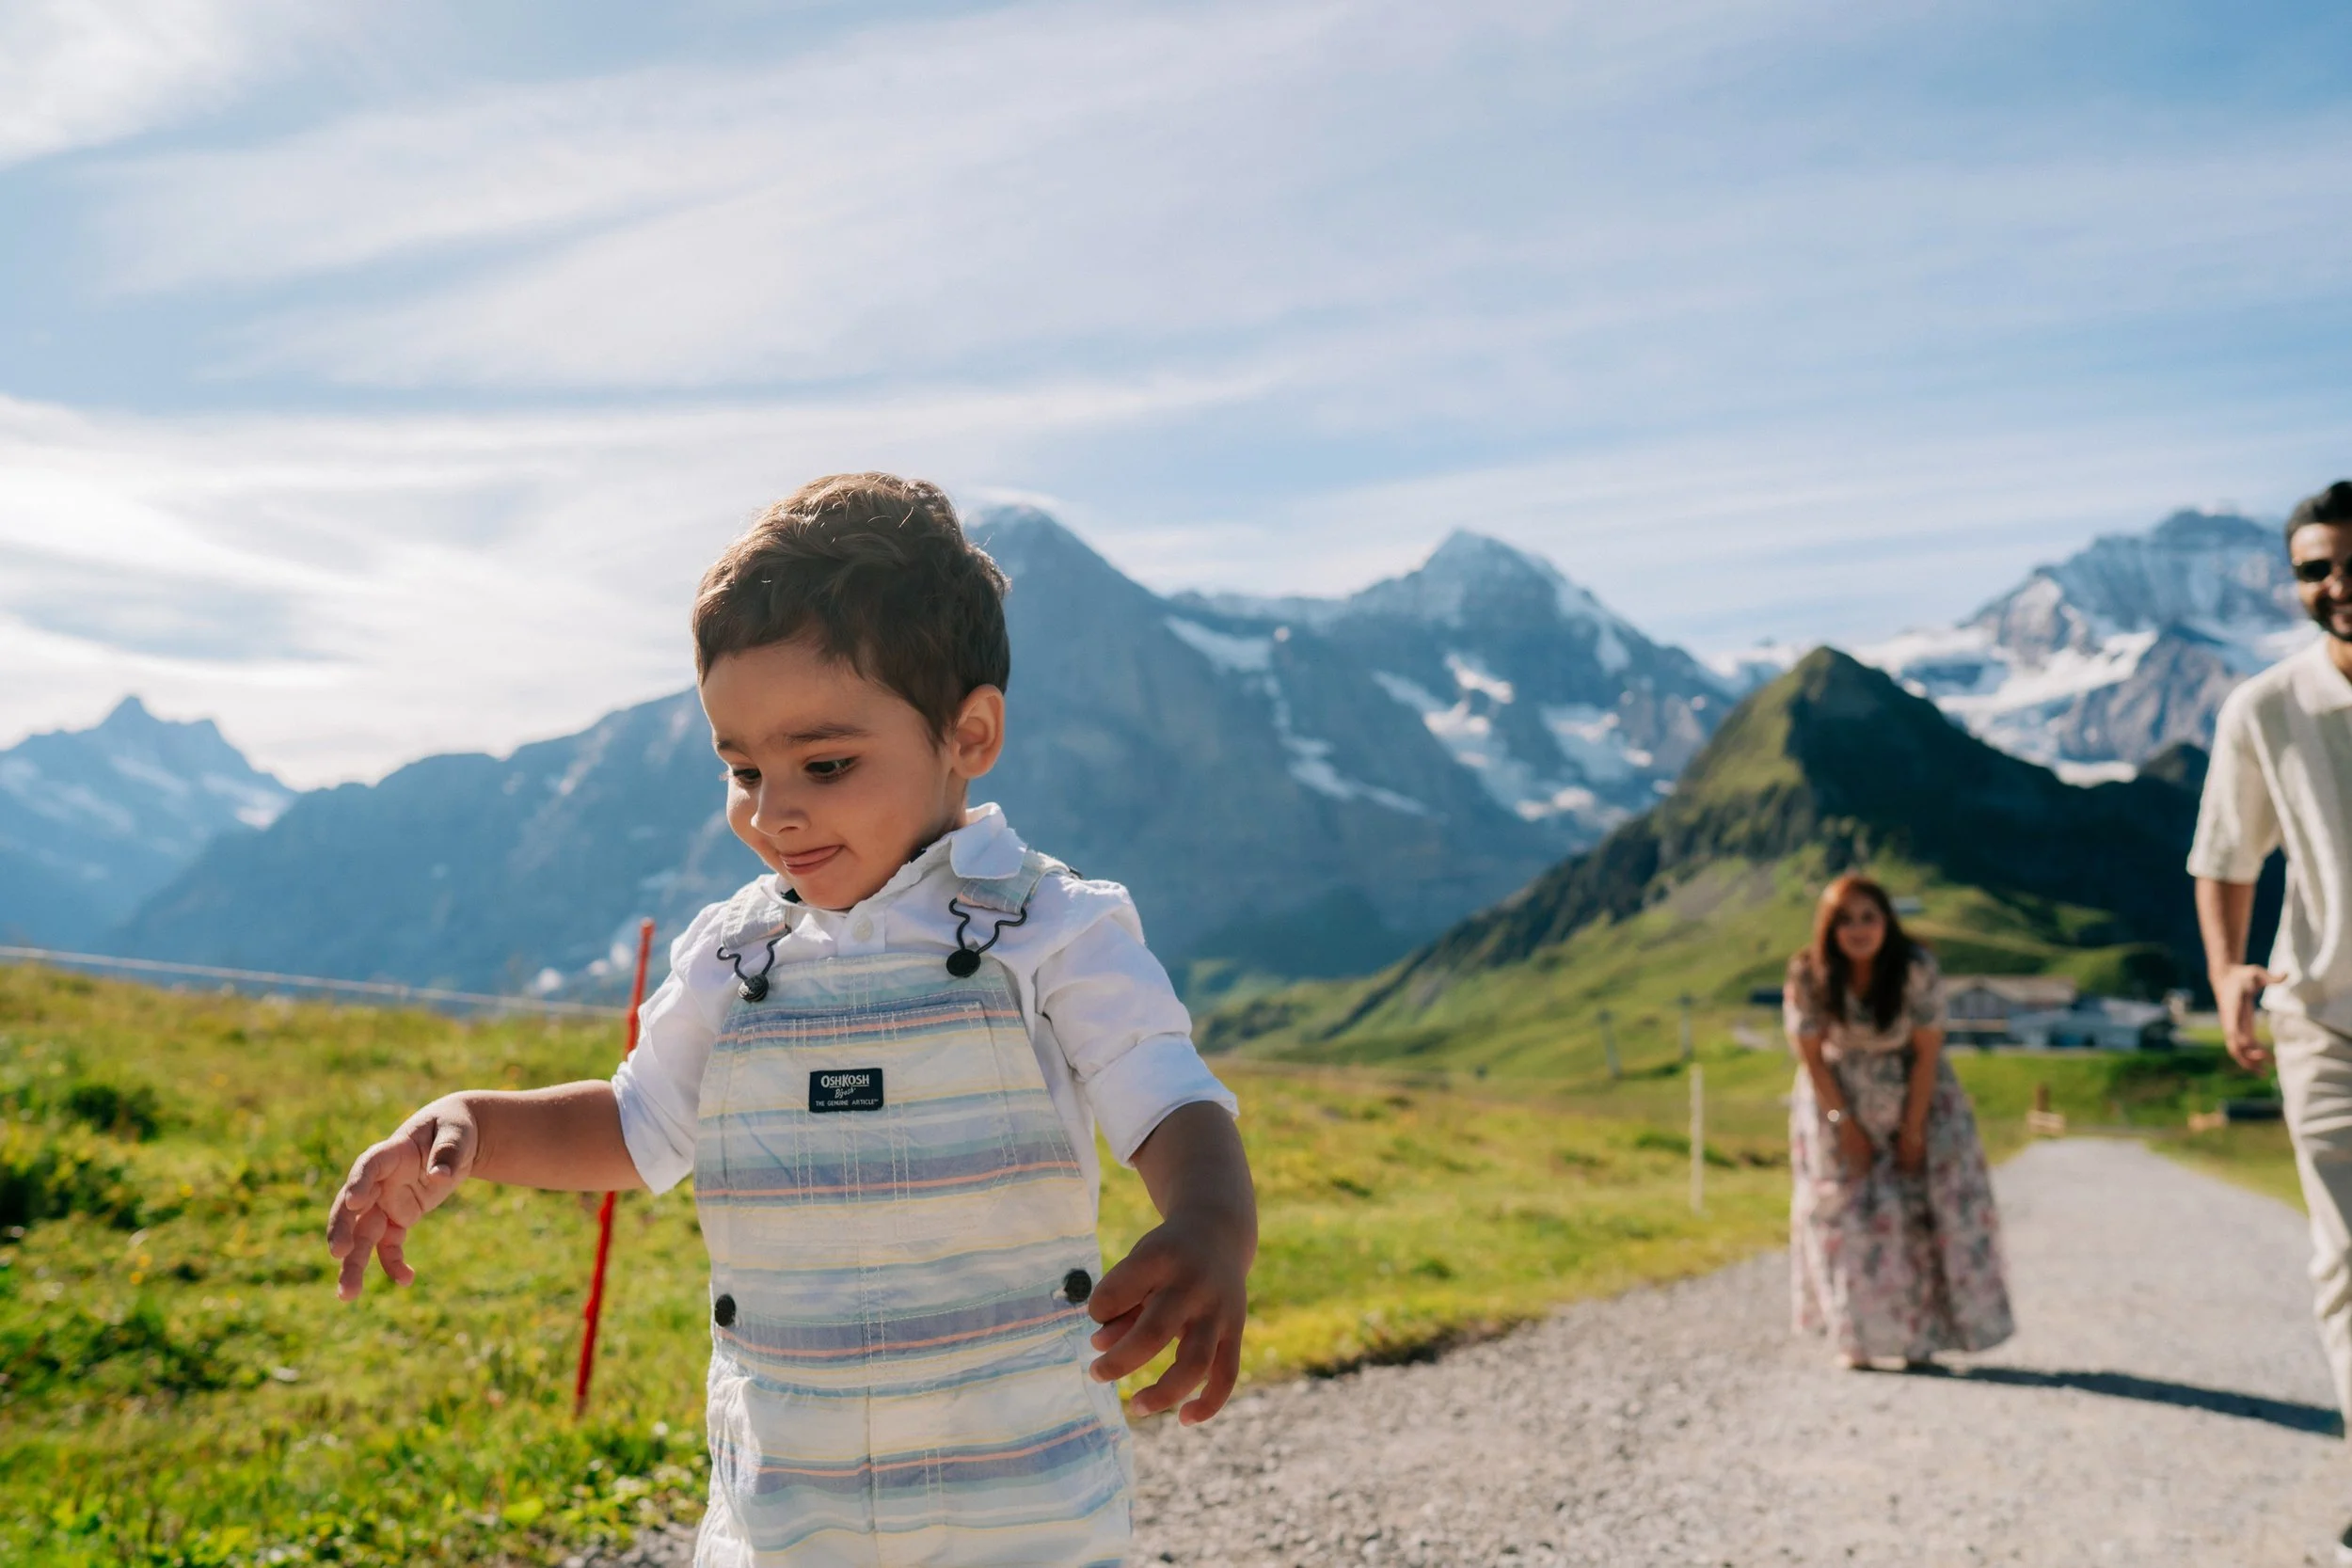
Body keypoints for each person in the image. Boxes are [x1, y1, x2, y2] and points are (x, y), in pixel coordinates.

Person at [325, 474, 1257, 1566]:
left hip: (1018, 1502)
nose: (774, 812)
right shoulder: (733, 955)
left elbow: (1166, 1092)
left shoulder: (1051, 927)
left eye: (825, 764)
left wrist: (1207, 1224)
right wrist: (473, 1121)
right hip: (790, 1507)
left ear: (969, 731)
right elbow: (635, 1125)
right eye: (742, 768)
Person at [2189, 480, 2352, 1560]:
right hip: (2326, 1023)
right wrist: (2225, 976)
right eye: (2312, 568)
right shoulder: (2264, 706)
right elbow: (2224, 855)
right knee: (2347, 1259)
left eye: (2346, 560)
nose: (2335, 585)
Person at [1784, 874, 2012, 1368]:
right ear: (1828, 928)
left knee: (1919, 1211)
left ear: (1888, 921)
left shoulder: (1914, 968)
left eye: (1869, 917)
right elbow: (1811, 1056)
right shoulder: (1809, 973)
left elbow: (1928, 1051)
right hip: (1835, 1098)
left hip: (1917, 1092)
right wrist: (1843, 1124)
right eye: (1845, 920)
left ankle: (1920, 1339)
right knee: (1845, 1218)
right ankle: (1856, 1337)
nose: (1859, 929)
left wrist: (1913, 1129)